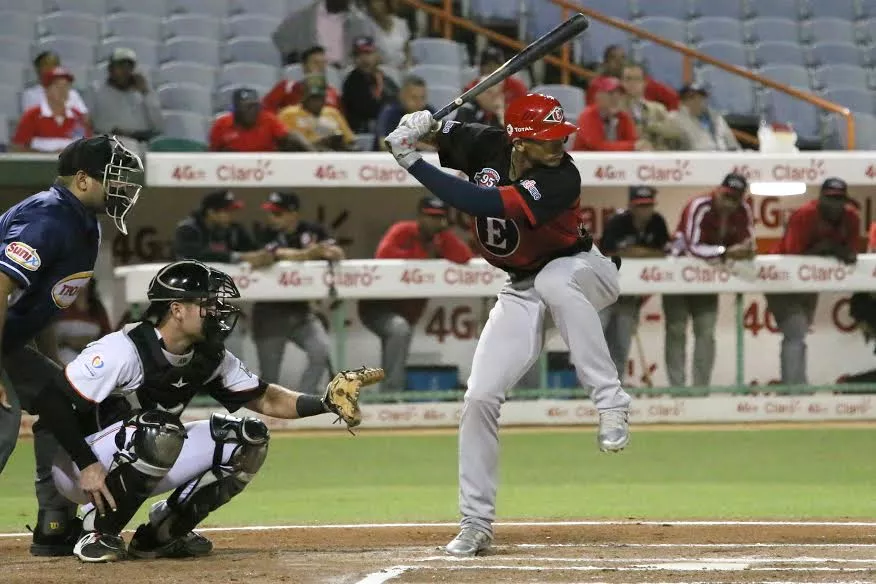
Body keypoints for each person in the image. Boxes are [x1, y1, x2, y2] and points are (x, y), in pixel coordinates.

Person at [384, 94, 632, 556]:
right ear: (518, 139)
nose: (558, 144)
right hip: (520, 288)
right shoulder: (485, 143)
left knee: (558, 283)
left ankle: (611, 401)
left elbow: (477, 199)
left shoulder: (561, 175)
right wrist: (418, 123)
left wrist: (408, 157)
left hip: (582, 270)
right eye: (546, 139)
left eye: (561, 136)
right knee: (479, 397)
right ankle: (475, 523)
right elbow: (442, 133)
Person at [32, 259, 380, 562]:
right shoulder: (122, 349)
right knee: (162, 430)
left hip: (145, 450)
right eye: (207, 303)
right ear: (177, 309)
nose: (217, 311)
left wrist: (324, 402)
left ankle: (162, 533)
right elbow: (50, 400)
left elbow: (266, 398)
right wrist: (86, 464)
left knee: (247, 439)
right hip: (82, 466)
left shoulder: (209, 354)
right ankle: (97, 531)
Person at [0, 135, 143, 557]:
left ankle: (54, 521)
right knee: (3, 424)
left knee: (63, 398)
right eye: (113, 179)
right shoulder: (48, 215)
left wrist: (47, 365)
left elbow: (40, 303)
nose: (123, 189)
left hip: (8, 342)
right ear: (82, 179)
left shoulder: (82, 222)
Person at [358, 196, 473, 392]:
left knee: (398, 338)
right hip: (377, 306)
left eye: (439, 217)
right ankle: (392, 396)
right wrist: (424, 256)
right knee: (399, 330)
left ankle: (388, 395)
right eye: (430, 217)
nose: (434, 222)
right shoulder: (403, 230)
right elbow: (384, 257)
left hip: (407, 309)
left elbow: (464, 257)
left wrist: (444, 234)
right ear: (420, 216)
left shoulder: (440, 239)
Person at [665, 173, 755, 388]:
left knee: (706, 333)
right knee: (676, 330)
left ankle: (700, 391)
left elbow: (749, 246)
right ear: (718, 191)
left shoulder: (744, 210)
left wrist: (738, 252)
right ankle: (677, 391)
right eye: (726, 196)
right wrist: (726, 252)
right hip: (679, 275)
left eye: (735, 199)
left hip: (707, 279)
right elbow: (692, 246)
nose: (729, 203)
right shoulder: (700, 205)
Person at [767, 178, 859, 385]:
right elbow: (793, 257)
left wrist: (830, 248)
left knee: (800, 332)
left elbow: (851, 254)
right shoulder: (805, 215)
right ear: (821, 199)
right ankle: (794, 392)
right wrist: (826, 248)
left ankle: (797, 388)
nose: (835, 205)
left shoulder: (851, 217)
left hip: (810, 282)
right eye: (830, 199)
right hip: (781, 279)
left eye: (839, 200)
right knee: (796, 332)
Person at [251, 191, 343, 394]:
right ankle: (269, 415)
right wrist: (310, 253)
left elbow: (336, 252)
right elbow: (272, 255)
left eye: (278, 213)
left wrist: (323, 251)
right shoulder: (265, 232)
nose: (272, 218)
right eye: (271, 213)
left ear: (293, 213)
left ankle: (304, 400)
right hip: (269, 312)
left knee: (320, 351)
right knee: (269, 376)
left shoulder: (312, 230)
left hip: (301, 311)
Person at [599, 186, 670, 382]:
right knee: (594, 344)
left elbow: (664, 253)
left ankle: (615, 388)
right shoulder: (617, 222)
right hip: (602, 293)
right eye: (640, 206)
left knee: (621, 346)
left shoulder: (658, 223)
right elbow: (610, 252)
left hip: (629, 297)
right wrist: (645, 252)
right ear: (631, 205)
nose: (644, 210)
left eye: (648, 206)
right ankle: (583, 392)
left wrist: (633, 251)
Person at [90, 48, 164, 154]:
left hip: (141, 146)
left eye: (129, 67)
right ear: (110, 69)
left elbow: (159, 126)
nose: (125, 71)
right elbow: (94, 123)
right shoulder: (97, 92)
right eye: (120, 66)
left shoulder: (143, 93)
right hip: (110, 146)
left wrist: (146, 92)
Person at [209, 88, 313, 152]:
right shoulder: (221, 125)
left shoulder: (267, 119)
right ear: (236, 109)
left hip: (267, 171)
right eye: (247, 107)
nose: (253, 111)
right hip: (234, 174)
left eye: (255, 106)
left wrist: (313, 153)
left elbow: (289, 137)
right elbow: (212, 154)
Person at [13, 67, 91, 153]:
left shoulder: (78, 117)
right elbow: (17, 148)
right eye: (57, 86)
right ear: (46, 90)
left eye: (66, 86)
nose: (62, 90)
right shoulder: (32, 116)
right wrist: (49, 156)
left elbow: (88, 150)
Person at [586, 45, 679, 111]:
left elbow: (672, 97)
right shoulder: (597, 85)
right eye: (613, 58)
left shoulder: (643, 80)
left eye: (622, 58)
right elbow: (595, 111)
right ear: (605, 62)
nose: (619, 62)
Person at [278, 75, 356, 151]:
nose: (317, 102)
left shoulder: (333, 113)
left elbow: (349, 140)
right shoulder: (288, 114)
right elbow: (284, 142)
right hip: (303, 156)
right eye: (313, 98)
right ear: (303, 97)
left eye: (320, 98)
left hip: (333, 155)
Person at [574, 76, 649, 152]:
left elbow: (634, 141)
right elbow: (598, 146)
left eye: (619, 94)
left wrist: (640, 146)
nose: (616, 98)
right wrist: (632, 146)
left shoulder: (623, 117)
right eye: (611, 93)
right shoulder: (587, 116)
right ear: (598, 96)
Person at [341, 36, 399, 133]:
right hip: (364, 131)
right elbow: (369, 109)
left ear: (377, 55)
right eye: (358, 55)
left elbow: (399, 98)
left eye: (368, 53)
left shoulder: (384, 78)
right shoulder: (352, 81)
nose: (364, 59)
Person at [621, 62, 683, 151]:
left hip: (656, 158)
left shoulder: (656, 108)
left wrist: (651, 127)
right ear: (622, 82)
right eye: (628, 79)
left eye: (637, 79)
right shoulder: (616, 110)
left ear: (645, 82)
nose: (632, 83)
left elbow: (676, 131)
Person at [263, 46, 342, 113]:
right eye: (316, 63)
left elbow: (340, 119)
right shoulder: (287, 88)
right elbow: (266, 110)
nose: (321, 67)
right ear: (304, 66)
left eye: (323, 63)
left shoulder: (332, 93)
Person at [55, 280, 113, 365]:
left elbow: (107, 335)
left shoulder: (97, 308)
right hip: (62, 359)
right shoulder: (60, 305)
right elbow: (47, 335)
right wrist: (67, 341)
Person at [671, 83, 740, 152]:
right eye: (691, 97)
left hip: (723, 158)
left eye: (701, 96)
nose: (696, 100)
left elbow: (732, 144)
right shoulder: (674, 119)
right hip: (695, 160)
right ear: (682, 101)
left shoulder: (716, 117)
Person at [21, 50, 89, 116]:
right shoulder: (30, 95)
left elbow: (84, 118)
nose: (51, 68)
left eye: (55, 65)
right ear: (38, 69)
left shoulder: (72, 93)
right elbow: (32, 120)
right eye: (46, 65)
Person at [375, 75, 433, 151]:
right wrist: (416, 145)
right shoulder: (390, 113)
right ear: (402, 96)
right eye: (414, 97)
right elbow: (383, 144)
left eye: (422, 97)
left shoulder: (429, 112)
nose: (419, 102)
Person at [463, 47, 528, 105]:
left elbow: (525, 105)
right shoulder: (472, 88)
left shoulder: (516, 85)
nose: (492, 68)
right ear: (480, 68)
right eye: (487, 65)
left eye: (496, 65)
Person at [359, 0, 411, 70]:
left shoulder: (401, 23)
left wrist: (408, 66)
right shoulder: (364, 27)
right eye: (371, 2)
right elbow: (366, 58)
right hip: (379, 72)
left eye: (378, 1)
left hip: (403, 70)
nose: (374, 6)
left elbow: (408, 51)